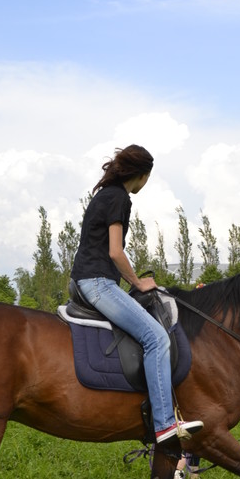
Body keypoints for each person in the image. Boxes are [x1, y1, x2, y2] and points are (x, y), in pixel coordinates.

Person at [71, 144, 203, 445]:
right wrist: (138, 282)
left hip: (87, 279)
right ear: (142, 176)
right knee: (156, 337)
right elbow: (115, 252)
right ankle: (165, 425)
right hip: (97, 283)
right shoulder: (119, 198)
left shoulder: (104, 195)